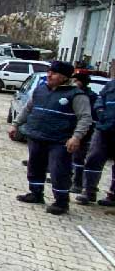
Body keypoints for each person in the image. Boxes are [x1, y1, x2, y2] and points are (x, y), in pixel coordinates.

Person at [9, 61, 91, 215]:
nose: (49, 75)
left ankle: (61, 202)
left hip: (60, 140)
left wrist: (76, 137)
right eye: (49, 72)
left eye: (54, 73)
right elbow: (28, 109)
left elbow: (85, 118)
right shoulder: (40, 90)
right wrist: (15, 124)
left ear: (65, 77)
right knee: (35, 166)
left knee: (58, 170)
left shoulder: (76, 95)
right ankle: (36, 193)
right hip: (37, 135)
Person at [75, 75, 115, 206]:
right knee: (94, 158)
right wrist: (100, 111)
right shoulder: (111, 85)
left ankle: (113, 196)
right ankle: (88, 191)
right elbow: (100, 99)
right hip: (103, 129)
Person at [71, 71, 98, 195]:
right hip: (70, 129)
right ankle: (67, 178)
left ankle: (77, 183)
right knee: (69, 156)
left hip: (84, 131)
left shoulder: (90, 97)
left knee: (78, 157)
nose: (74, 82)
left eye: (76, 80)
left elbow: (89, 116)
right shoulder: (72, 93)